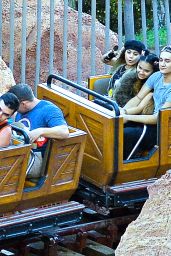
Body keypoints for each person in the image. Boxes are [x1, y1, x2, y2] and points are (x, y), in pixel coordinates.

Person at [121, 45, 171, 160]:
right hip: (151, 122)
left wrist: (128, 117)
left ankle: (127, 167)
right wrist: (122, 112)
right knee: (117, 126)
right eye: (161, 60)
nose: (162, 64)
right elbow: (138, 98)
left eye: (167, 61)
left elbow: (158, 118)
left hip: (163, 128)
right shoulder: (156, 76)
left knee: (126, 133)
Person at [9, 83, 69, 178]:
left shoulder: (48, 109)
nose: (13, 110)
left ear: (23, 103)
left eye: (15, 107)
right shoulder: (20, 111)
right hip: (18, 153)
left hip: (35, 160)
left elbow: (64, 132)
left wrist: (40, 131)